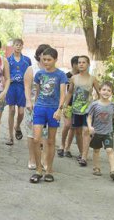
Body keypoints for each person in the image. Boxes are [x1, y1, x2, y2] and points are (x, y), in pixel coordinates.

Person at [27, 46, 68, 184]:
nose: (46, 62)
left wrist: (59, 109)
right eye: (44, 59)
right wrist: (34, 106)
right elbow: (38, 92)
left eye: (49, 60)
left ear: (55, 60)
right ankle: (38, 170)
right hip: (40, 108)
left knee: (50, 141)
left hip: (53, 110)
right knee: (36, 139)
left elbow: (63, 94)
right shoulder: (39, 74)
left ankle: (49, 170)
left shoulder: (60, 75)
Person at [66, 56, 99, 167]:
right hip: (76, 109)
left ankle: (84, 157)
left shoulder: (93, 79)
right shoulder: (74, 78)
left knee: (86, 131)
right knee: (78, 132)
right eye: (79, 62)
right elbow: (70, 93)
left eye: (83, 62)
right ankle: (81, 153)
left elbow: (100, 93)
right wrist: (65, 106)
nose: (81, 64)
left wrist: (100, 107)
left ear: (88, 64)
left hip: (88, 110)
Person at [86, 81, 114, 181]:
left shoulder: (112, 106)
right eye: (104, 90)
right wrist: (90, 127)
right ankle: (96, 168)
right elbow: (89, 117)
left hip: (108, 132)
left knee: (109, 150)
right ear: (99, 91)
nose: (106, 92)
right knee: (96, 150)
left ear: (112, 93)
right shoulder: (94, 105)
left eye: (109, 90)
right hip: (96, 132)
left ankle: (113, 171)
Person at [23, 44, 50, 171]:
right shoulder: (31, 69)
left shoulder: (52, 69)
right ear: (39, 55)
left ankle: (44, 159)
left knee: (46, 134)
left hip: (48, 106)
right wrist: (28, 101)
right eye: (43, 54)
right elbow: (27, 87)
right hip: (33, 105)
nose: (46, 58)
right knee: (32, 133)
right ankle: (32, 158)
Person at [5, 38, 31, 145]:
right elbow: (4, 74)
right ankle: (10, 136)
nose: (18, 46)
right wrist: (7, 79)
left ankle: (17, 125)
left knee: (21, 112)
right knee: (11, 110)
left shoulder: (27, 60)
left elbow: (30, 73)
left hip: (22, 87)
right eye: (16, 44)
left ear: (22, 46)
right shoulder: (7, 60)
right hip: (11, 87)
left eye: (20, 45)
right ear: (13, 46)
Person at [58, 56, 80, 158]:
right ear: (74, 64)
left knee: (73, 127)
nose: (80, 65)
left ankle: (67, 148)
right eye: (78, 63)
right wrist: (62, 105)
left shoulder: (82, 77)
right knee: (67, 125)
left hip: (79, 105)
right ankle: (61, 145)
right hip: (68, 103)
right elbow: (63, 91)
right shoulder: (66, 76)